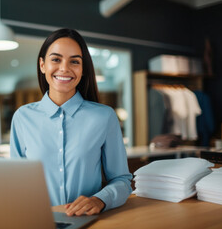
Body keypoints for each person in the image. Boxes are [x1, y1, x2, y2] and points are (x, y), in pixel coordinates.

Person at [10, 28, 132, 216]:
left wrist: (100, 200)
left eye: (74, 61)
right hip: (36, 220)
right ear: (42, 65)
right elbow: (15, 182)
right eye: (56, 59)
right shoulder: (22, 117)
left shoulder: (104, 117)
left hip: (87, 221)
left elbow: (122, 180)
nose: (65, 68)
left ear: (83, 70)